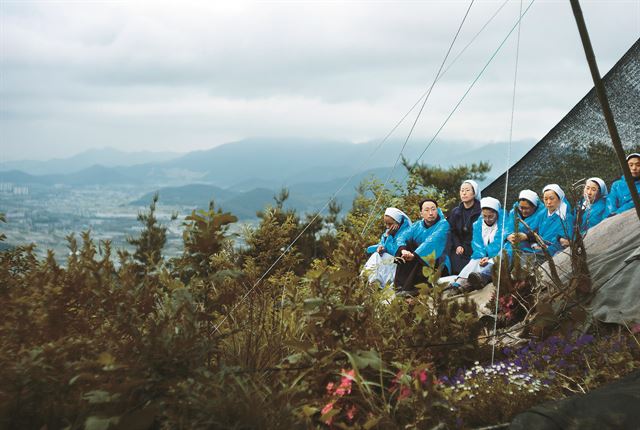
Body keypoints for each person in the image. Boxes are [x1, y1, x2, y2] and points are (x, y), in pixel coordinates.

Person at [394, 199, 451, 296]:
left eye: (433, 209)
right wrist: (404, 250)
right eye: (427, 210)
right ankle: (400, 285)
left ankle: (411, 288)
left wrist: (414, 255)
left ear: (437, 210)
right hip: (416, 257)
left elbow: (431, 242)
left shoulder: (443, 224)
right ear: (421, 213)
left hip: (437, 261)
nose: (431, 213)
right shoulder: (417, 225)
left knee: (422, 255)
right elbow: (401, 236)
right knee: (405, 247)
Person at [449, 197, 504, 292]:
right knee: (475, 261)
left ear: (497, 213)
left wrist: (489, 257)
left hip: (497, 254)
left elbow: (500, 243)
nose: (487, 219)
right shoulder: (477, 224)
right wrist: (482, 255)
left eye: (491, 216)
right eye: (485, 216)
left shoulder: (504, 223)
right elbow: (476, 243)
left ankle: (472, 282)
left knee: (494, 261)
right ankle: (460, 281)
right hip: (483, 255)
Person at [362, 207, 412, 287]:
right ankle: (370, 280)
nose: (387, 227)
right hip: (388, 264)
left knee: (377, 257)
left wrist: (389, 236)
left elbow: (395, 251)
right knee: (376, 255)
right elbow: (382, 245)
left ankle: (372, 282)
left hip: (398, 265)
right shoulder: (388, 232)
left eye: (390, 224)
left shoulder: (406, 233)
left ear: (398, 223)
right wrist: (381, 248)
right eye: (386, 223)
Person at [447, 180, 482, 275]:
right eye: (462, 190)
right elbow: (452, 231)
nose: (464, 193)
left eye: (467, 190)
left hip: (475, 246)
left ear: (474, 193)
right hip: (460, 246)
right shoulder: (456, 211)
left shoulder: (481, 210)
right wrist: (458, 245)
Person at [532, 184, 574, 258]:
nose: (548, 202)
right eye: (545, 199)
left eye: (552, 198)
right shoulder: (541, 214)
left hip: (553, 252)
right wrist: (534, 244)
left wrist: (545, 248)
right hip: (538, 248)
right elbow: (533, 230)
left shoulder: (566, 218)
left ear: (559, 199)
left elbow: (564, 242)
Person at [504, 189, 545, 255]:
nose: (523, 211)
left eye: (526, 208)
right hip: (517, 243)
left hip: (533, 245)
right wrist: (508, 236)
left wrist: (527, 236)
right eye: (521, 207)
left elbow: (544, 232)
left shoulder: (543, 213)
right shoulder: (514, 212)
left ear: (534, 206)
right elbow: (508, 227)